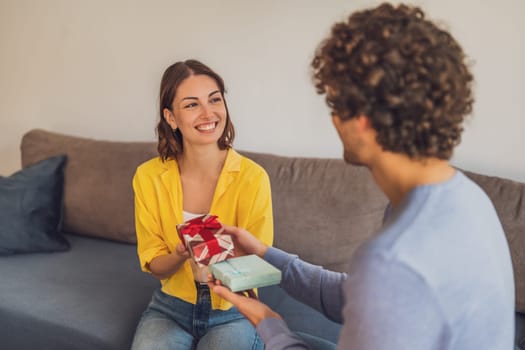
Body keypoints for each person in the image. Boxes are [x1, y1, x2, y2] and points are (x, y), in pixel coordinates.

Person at [210, 3, 515, 349]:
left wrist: (271, 326)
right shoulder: (467, 197)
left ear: (363, 120)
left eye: (335, 106)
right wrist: (266, 253)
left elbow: (383, 282)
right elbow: (362, 295)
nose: (334, 120)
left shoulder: (393, 258)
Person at [131, 59, 273, 349]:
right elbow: (155, 265)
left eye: (214, 100)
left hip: (234, 309)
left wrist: (217, 258)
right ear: (171, 118)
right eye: (192, 105)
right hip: (171, 307)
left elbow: (257, 266)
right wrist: (180, 253)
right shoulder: (148, 177)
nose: (208, 113)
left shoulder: (252, 178)